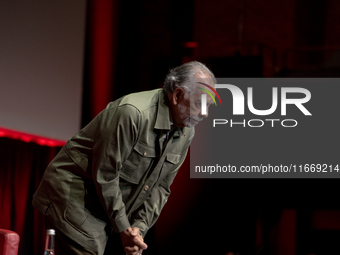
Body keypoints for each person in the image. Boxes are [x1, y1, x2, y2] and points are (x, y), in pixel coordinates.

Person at [32, 61, 216, 255]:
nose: (205, 113)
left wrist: (138, 228)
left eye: (208, 106)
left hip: (102, 207)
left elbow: (161, 187)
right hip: (73, 194)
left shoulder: (187, 131)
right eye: (199, 104)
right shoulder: (132, 112)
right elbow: (106, 175)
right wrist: (123, 228)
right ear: (177, 95)